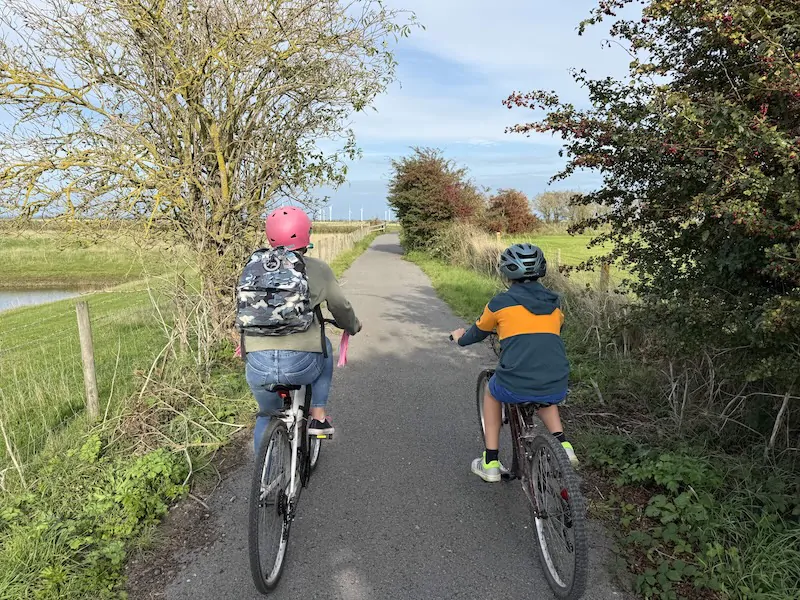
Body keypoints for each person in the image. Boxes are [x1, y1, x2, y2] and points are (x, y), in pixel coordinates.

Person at [450, 243, 578, 483]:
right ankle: (563, 444)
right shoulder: (555, 302)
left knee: (492, 392)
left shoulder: (500, 303)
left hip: (516, 381)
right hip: (556, 379)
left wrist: (459, 339)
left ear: (507, 272)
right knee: (544, 397)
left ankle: (490, 461)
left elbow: (476, 332)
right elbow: (557, 327)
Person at [241, 206, 361, 452]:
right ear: (307, 234)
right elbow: (340, 306)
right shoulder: (317, 269)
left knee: (266, 414)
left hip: (258, 363)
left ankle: (264, 476)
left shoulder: (253, 268)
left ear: (270, 236)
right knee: (325, 347)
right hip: (301, 364)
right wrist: (353, 326)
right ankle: (317, 414)